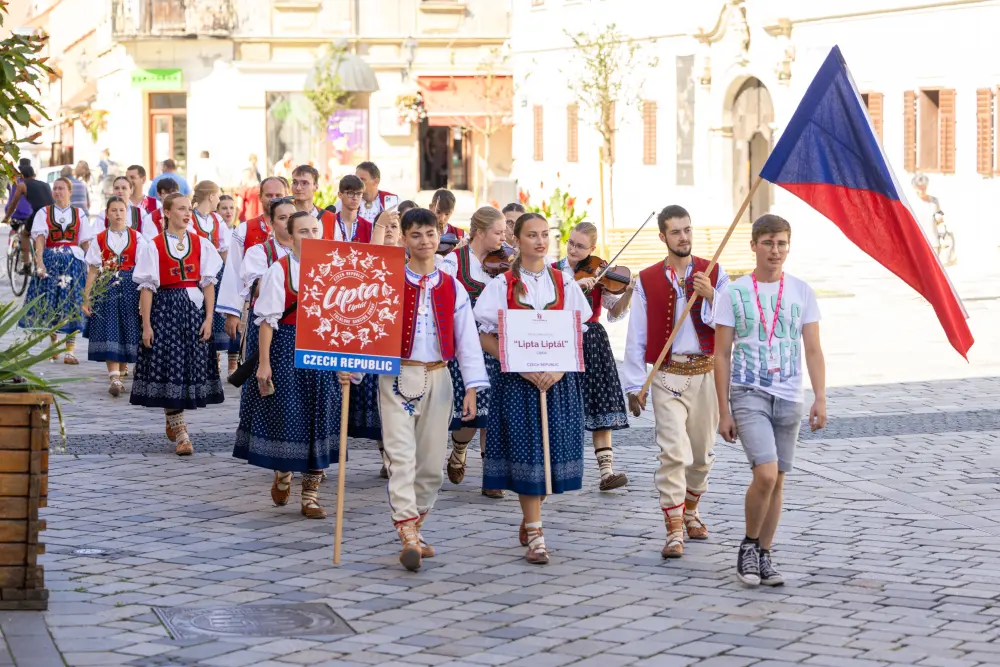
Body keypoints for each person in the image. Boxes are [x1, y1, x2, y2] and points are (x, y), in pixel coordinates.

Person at [715, 214, 826, 587]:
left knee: (778, 481)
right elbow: (722, 355)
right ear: (753, 246)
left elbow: (812, 349)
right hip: (749, 393)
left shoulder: (801, 291)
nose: (775, 250)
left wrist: (820, 397)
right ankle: (748, 546)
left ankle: (765, 553)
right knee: (763, 473)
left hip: (790, 395)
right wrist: (723, 410)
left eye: (781, 243)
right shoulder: (733, 292)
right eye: (768, 243)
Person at [473, 212, 591, 565]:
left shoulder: (565, 283)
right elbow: (482, 333)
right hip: (518, 383)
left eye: (545, 235)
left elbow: (580, 329)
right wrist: (519, 363)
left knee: (550, 455)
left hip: (557, 381)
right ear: (517, 240)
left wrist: (556, 369)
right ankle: (537, 535)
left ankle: (531, 517)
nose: (540, 241)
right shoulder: (501, 284)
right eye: (532, 235)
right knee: (527, 455)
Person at [381, 208, 489, 572]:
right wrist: (354, 369)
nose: (424, 242)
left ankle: (414, 524)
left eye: (430, 234)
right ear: (404, 240)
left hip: (439, 376)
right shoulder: (389, 279)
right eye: (416, 235)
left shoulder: (452, 284)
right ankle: (408, 535)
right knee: (401, 457)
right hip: (395, 376)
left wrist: (473, 386)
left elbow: (467, 339)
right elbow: (369, 326)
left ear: (438, 235)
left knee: (430, 467)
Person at [622, 205, 729, 559]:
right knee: (674, 454)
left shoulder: (715, 273)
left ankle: (692, 510)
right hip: (666, 375)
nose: (684, 237)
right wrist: (635, 385)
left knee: (701, 455)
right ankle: (673, 529)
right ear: (663, 237)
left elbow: (735, 325)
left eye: (687, 229)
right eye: (676, 231)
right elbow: (636, 335)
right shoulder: (649, 279)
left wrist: (712, 295)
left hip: (706, 375)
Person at [234, 211, 352, 518]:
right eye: (304, 231)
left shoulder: (336, 270)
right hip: (287, 348)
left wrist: (346, 358)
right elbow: (266, 321)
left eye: (316, 230)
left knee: (321, 416)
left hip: (322, 349)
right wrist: (263, 363)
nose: (312, 236)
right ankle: (284, 471)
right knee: (290, 415)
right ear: (290, 236)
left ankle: (310, 495)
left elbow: (344, 319)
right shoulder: (280, 270)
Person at [130, 193, 225, 455]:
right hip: (165, 311)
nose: (186, 214)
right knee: (170, 367)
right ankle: (182, 431)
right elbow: (147, 288)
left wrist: (209, 318)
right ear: (167, 213)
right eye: (181, 209)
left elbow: (208, 284)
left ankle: (173, 418)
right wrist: (147, 325)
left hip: (193, 312)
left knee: (186, 368)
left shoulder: (201, 243)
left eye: (189, 209)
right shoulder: (154, 245)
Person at [555, 222, 633, 491]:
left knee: (600, 402)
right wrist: (574, 287)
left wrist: (630, 291)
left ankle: (606, 471)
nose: (574, 250)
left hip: (592, 340)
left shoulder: (601, 273)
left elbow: (614, 312)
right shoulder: (553, 272)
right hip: (562, 339)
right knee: (562, 404)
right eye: (571, 243)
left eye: (580, 246)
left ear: (592, 249)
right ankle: (558, 468)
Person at [439, 206, 506, 497]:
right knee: (469, 415)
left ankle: (492, 477)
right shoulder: (453, 262)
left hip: (494, 343)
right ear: (480, 232)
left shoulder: (505, 264)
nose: (504, 238)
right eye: (499, 232)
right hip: (465, 346)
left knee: (493, 415)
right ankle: (459, 448)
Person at [19, 177, 94, 363]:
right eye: (55, 188)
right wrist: (39, 262)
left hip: (74, 264)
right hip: (51, 261)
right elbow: (40, 240)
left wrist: (93, 264)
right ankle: (53, 345)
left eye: (61, 188)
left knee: (73, 303)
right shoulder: (44, 212)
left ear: (69, 191)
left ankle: (70, 350)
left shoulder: (79, 214)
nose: (57, 192)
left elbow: (85, 241)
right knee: (52, 302)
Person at [82, 196, 145, 396]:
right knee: (110, 328)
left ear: (127, 213)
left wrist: (145, 297)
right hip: (106, 288)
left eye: (121, 210)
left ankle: (128, 368)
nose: (118, 214)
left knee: (129, 327)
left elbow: (144, 270)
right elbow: (92, 269)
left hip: (130, 288)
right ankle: (114, 378)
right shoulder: (99, 239)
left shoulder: (137, 238)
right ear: (107, 214)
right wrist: (87, 297)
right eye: (114, 210)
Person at [217, 177, 290, 333]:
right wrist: (232, 311)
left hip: (291, 308)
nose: (274, 199)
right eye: (269, 195)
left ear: (287, 194)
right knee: (253, 355)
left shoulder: (300, 227)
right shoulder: (245, 229)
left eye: (278, 194)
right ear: (260, 198)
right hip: (254, 307)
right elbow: (233, 270)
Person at [189, 181, 232, 358]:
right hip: (197, 271)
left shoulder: (217, 219)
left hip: (215, 271)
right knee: (198, 310)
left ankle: (213, 354)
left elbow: (224, 249)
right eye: (218, 195)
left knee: (213, 310)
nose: (219, 200)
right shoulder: (191, 218)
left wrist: (229, 273)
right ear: (211, 196)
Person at [5, 162, 50, 274]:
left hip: (38, 213)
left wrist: (6, 217)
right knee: (37, 236)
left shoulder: (22, 185)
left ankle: (27, 265)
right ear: (34, 174)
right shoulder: (45, 184)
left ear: (22, 176)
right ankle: (38, 261)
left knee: (25, 235)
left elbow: (13, 204)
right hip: (51, 212)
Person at [90, 176, 156, 236]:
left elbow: (150, 238)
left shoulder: (141, 214)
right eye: (117, 188)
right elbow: (95, 238)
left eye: (124, 188)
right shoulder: (103, 215)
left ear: (131, 190)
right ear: (113, 191)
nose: (120, 191)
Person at [290, 165, 342, 239]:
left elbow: (338, 248)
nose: (298, 188)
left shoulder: (329, 219)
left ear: (316, 187)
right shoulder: (284, 215)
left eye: (304, 183)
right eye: (295, 182)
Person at [333, 174, 374, 243]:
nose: (355, 198)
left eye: (359, 194)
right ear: (340, 195)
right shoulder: (331, 223)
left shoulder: (368, 227)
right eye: (350, 193)